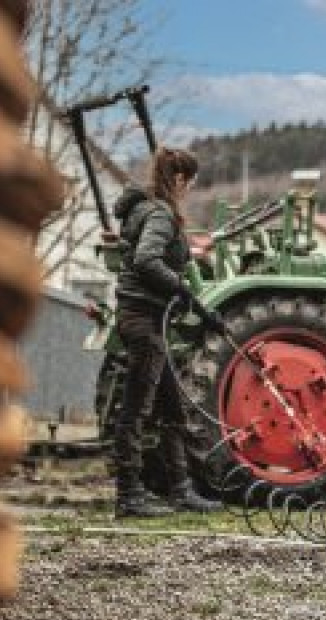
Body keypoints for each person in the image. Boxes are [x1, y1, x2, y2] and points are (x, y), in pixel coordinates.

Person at [111, 146, 224, 518]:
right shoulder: (159, 213)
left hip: (147, 319)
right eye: (189, 182)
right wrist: (180, 287)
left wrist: (201, 311)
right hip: (143, 320)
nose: (189, 189)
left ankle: (181, 491)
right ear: (178, 178)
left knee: (173, 408)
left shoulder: (147, 208)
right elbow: (146, 259)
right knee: (135, 410)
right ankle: (129, 495)